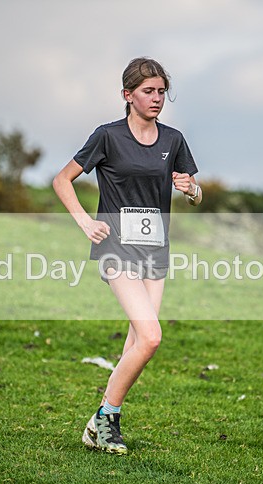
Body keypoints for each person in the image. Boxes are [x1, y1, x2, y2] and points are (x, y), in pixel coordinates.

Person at [52, 57, 202, 455]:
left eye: (161, 92)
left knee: (137, 341)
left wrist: (191, 190)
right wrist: (85, 222)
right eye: (148, 91)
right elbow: (62, 180)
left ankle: (98, 423)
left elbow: (195, 192)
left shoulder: (173, 141)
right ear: (127, 95)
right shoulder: (108, 136)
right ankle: (108, 418)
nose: (156, 98)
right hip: (116, 248)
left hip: (156, 252)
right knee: (151, 337)